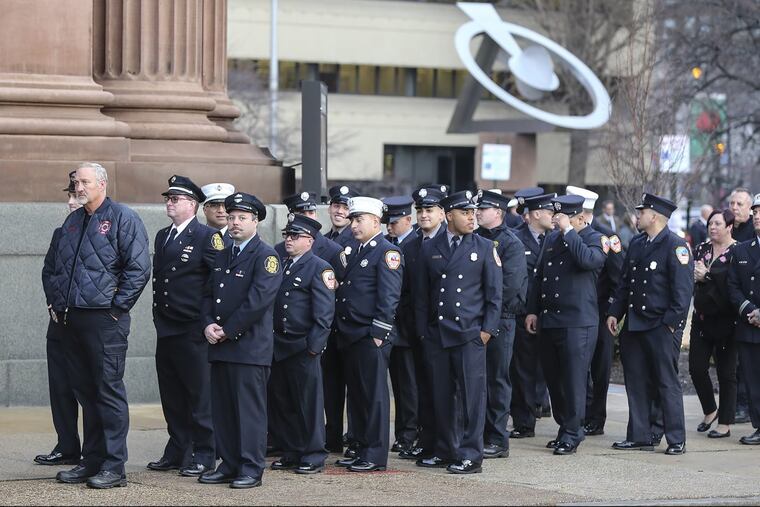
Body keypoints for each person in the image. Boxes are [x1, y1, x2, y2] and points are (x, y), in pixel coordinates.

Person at [51, 162, 151, 488]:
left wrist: (116, 309)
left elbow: (138, 269)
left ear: (102, 183)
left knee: (107, 392)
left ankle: (114, 466)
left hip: (104, 320)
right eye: (75, 182)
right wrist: (56, 303)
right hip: (72, 320)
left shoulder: (124, 218)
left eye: (84, 181)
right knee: (86, 393)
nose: (78, 187)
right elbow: (56, 269)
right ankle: (90, 460)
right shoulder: (72, 221)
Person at [414, 190, 502, 474]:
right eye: (465, 213)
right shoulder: (430, 247)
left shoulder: (485, 247)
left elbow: (494, 296)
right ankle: (445, 449)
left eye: (473, 212)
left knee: (471, 398)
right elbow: (422, 295)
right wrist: (424, 332)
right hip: (439, 334)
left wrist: (486, 331)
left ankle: (470, 454)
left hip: (469, 334)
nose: (471, 217)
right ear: (449, 215)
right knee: (441, 396)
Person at [198, 192, 281, 489]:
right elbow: (208, 294)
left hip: (248, 347)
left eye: (242, 218)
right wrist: (207, 323)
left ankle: (250, 467)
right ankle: (229, 463)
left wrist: (227, 330)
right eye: (231, 217)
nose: (234, 223)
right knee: (224, 410)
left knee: (249, 412)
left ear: (255, 221)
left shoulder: (266, 256)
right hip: (221, 346)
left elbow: (257, 302)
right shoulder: (223, 254)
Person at [607, 193, 693, 455]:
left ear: (654, 216)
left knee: (666, 382)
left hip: (659, 326)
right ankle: (640, 435)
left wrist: (670, 325)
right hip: (634, 325)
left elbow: (682, 293)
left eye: (641, 212)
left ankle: (676, 438)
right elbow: (625, 284)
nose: (637, 216)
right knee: (636, 381)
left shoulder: (675, 246)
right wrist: (615, 312)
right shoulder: (637, 243)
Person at [526, 194, 607, 455]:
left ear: (579, 218)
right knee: (554, 378)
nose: (557, 220)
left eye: (564, 216)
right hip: (551, 319)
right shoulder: (551, 239)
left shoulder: (594, 238)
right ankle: (565, 426)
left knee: (573, 379)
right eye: (556, 216)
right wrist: (533, 311)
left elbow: (588, 261)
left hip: (578, 321)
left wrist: (569, 231)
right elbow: (540, 276)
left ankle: (573, 431)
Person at [147, 176, 218, 477]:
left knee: (198, 395)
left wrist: (208, 321)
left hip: (191, 326)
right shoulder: (163, 235)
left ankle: (204, 453)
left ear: (192, 204)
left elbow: (215, 282)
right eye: (168, 198)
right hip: (167, 325)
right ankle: (178, 449)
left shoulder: (206, 236)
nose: (169, 203)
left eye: (176, 199)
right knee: (172, 393)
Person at [333, 196, 403, 473]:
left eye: (359, 219)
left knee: (373, 395)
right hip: (352, 333)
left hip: (369, 334)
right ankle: (360, 447)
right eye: (352, 219)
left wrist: (379, 333)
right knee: (359, 395)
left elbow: (389, 297)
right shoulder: (356, 249)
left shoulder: (386, 252)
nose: (353, 225)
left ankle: (374, 453)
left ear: (376, 221)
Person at [269, 214, 335, 475]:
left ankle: (313, 453)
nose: (288, 239)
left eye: (295, 236)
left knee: (308, 403)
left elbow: (324, 313)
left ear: (309, 240)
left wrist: (313, 347)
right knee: (283, 402)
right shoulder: (282, 264)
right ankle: (292, 450)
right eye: (287, 234)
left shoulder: (319, 267)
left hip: (302, 346)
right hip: (279, 344)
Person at [564, 186, 625, 437]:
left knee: (599, 367)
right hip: (577, 310)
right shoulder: (565, 235)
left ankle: (596, 417)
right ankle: (580, 413)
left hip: (600, 310)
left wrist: (611, 309)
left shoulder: (606, 236)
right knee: (579, 367)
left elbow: (618, 276)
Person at [475, 189, 528, 459]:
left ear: (498, 212)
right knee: (476, 380)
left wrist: (484, 311)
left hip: (501, 319)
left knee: (497, 379)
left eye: (483, 209)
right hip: (476, 318)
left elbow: (509, 286)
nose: (478, 212)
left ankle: (497, 438)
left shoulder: (511, 243)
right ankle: (477, 434)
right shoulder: (475, 239)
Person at [397, 185, 449, 461]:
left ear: (442, 213)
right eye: (420, 211)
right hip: (416, 330)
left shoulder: (449, 242)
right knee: (423, 391)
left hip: (442, 330)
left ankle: (442, 444)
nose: (424, 215)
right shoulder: (411, 245)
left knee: (442, 391)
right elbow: (406, 290)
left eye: (429, 210)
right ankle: (426, 441)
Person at [36, 171, 82, 467]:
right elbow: (49, 271)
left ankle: (96, 451)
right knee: (61, 387)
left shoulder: (109, 228)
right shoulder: (61, 231)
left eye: (75, 196)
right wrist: (53, 302)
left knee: (91, 391)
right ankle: (67, 446)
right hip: (59, 322)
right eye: (69, 196)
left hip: (89, 323)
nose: (70, 202)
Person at [510, 189, 556, 439]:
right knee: (523, 370)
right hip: (523, 315)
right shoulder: (516, 239)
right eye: (549, 212)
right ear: (536, 213)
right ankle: (524, 421)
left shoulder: (557, 238)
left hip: (550, 315)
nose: (553, 216)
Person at [690, 208, 738, 439]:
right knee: (696, 368)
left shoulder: (738, 252)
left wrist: (706, 277)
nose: (713, 227)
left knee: (726, 373)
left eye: (718, 223)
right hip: (702, 318)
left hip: (727, 321)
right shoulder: (701, 249)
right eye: (710, 223)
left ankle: (725, 423)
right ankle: (710, 410)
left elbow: (731, 286)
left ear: (730, 226)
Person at [322, 184, 361, 454]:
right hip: (328, 325)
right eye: (336, 205)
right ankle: (333, 435)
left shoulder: (355, 240)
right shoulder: (324, 238)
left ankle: (354, 436)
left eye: (345, 207)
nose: (339, 211)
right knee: (331, 385)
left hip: (348, 323)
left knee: (355, 385)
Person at [381, 196, 419, 454]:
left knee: (409, 386)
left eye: (394, 223)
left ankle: (409, 434)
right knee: (398, 384)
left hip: (409, 327)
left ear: (408, 219)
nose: (389, 227)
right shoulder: (390, 245)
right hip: (393, 327)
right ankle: (405, 433)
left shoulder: (416, 245)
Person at [727, 194, 760, 445]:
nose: (757, 216)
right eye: (756, 211)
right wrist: (749, 308)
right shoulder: (741, 249)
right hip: (749, 324)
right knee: (751, 379)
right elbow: (733, 286)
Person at [728, 187, 754, 423]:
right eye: (732, 203)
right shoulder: (725, 226)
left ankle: (744, 405)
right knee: (731, 361)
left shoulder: (751, 234)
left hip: (749, 308)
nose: (734, 208)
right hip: (728, 304)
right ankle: (733, 403)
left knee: (745, 362)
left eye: (740, 204)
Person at [276, 192, 341, 264]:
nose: (308, 217)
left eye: (311, 213)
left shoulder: (333, 250)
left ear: (316, 215)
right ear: (291, 217)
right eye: (301, 213)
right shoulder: (279, 249)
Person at [200, 182, 235, 248]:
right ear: (205, 210)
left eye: (225, 206)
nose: (221, 210)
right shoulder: (196, 236)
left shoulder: (240, 239)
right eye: (215, 205)